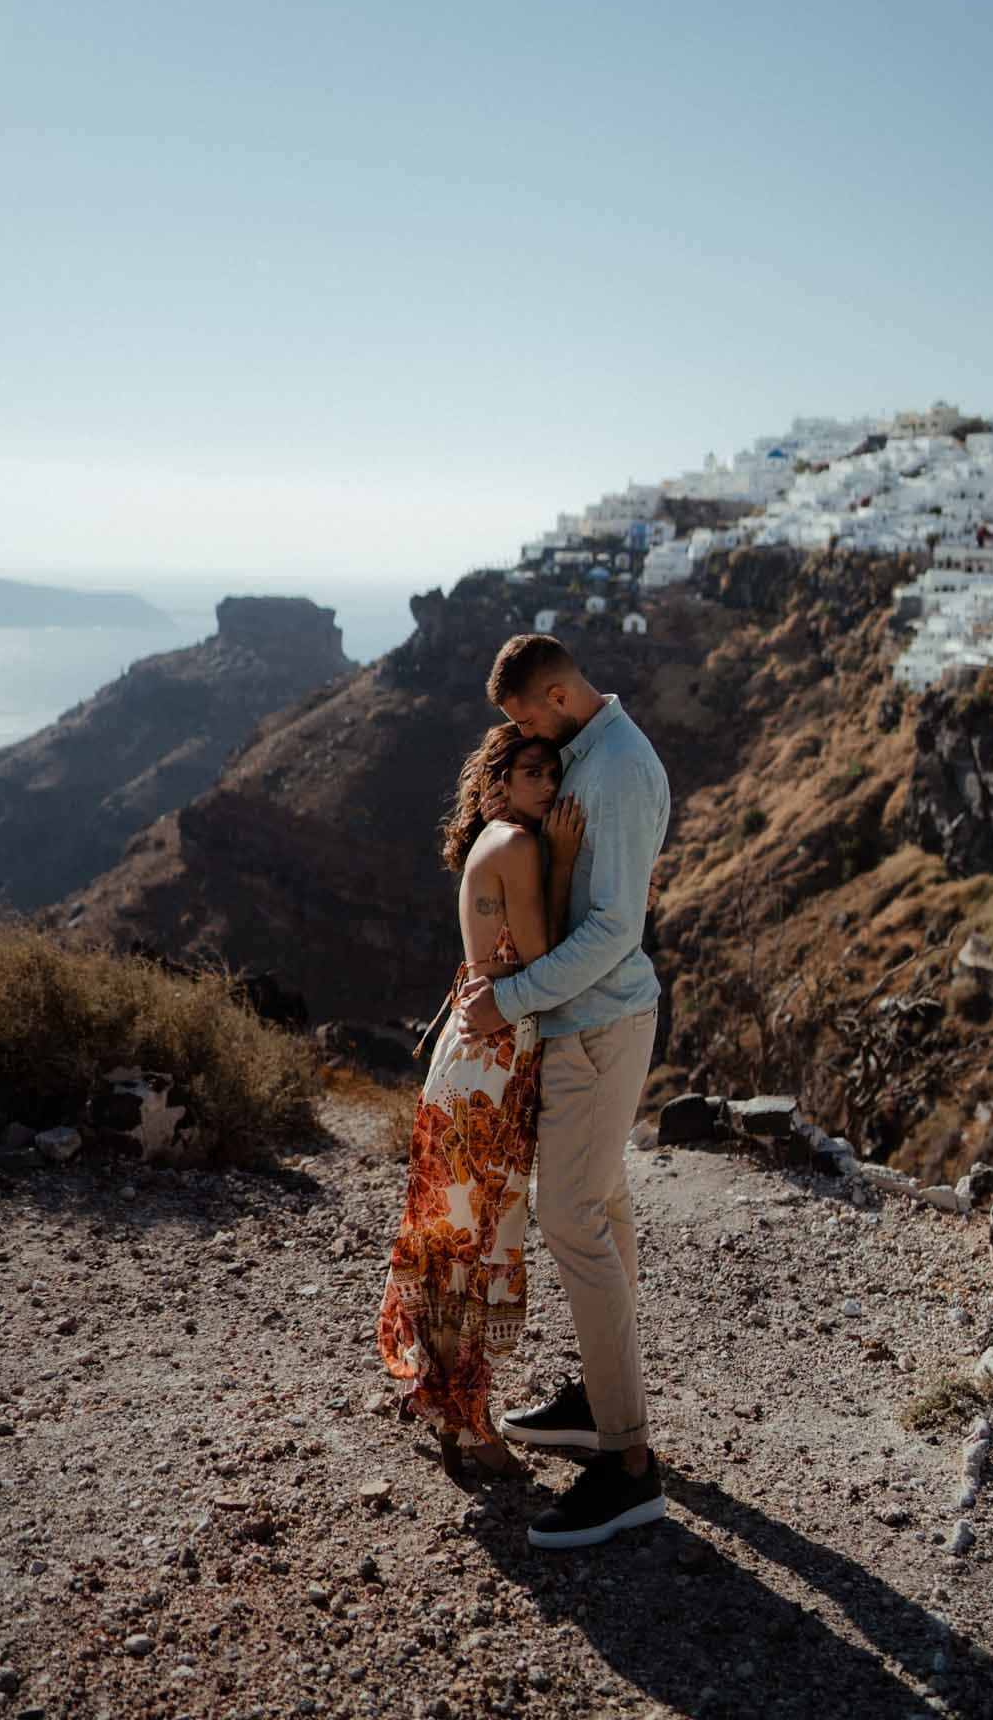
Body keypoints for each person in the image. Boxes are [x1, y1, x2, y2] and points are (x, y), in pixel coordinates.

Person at [456, 632, 671, 1551]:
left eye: (521, 720)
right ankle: (597, 1404)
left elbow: (616, 929)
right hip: (588, 1021)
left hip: (597, 1021)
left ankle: (628, 1466)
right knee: (605, 1202)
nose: (519, 739)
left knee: (572, 1217)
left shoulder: (614, 769)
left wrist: (509, 1001)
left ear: (554, 694)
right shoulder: (590, 757)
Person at [376, 725, 585, 1482]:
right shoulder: (522, 848)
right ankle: (467, 1423)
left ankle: (454, 1407)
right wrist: (566, 867)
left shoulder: (496, 840)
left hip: (480, 1063)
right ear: (496, 783)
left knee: (459, 1237)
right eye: (533, 773)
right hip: (489, 1070)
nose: (550, 786)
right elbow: (546, 960)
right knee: (475, 1243)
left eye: (554, 773)